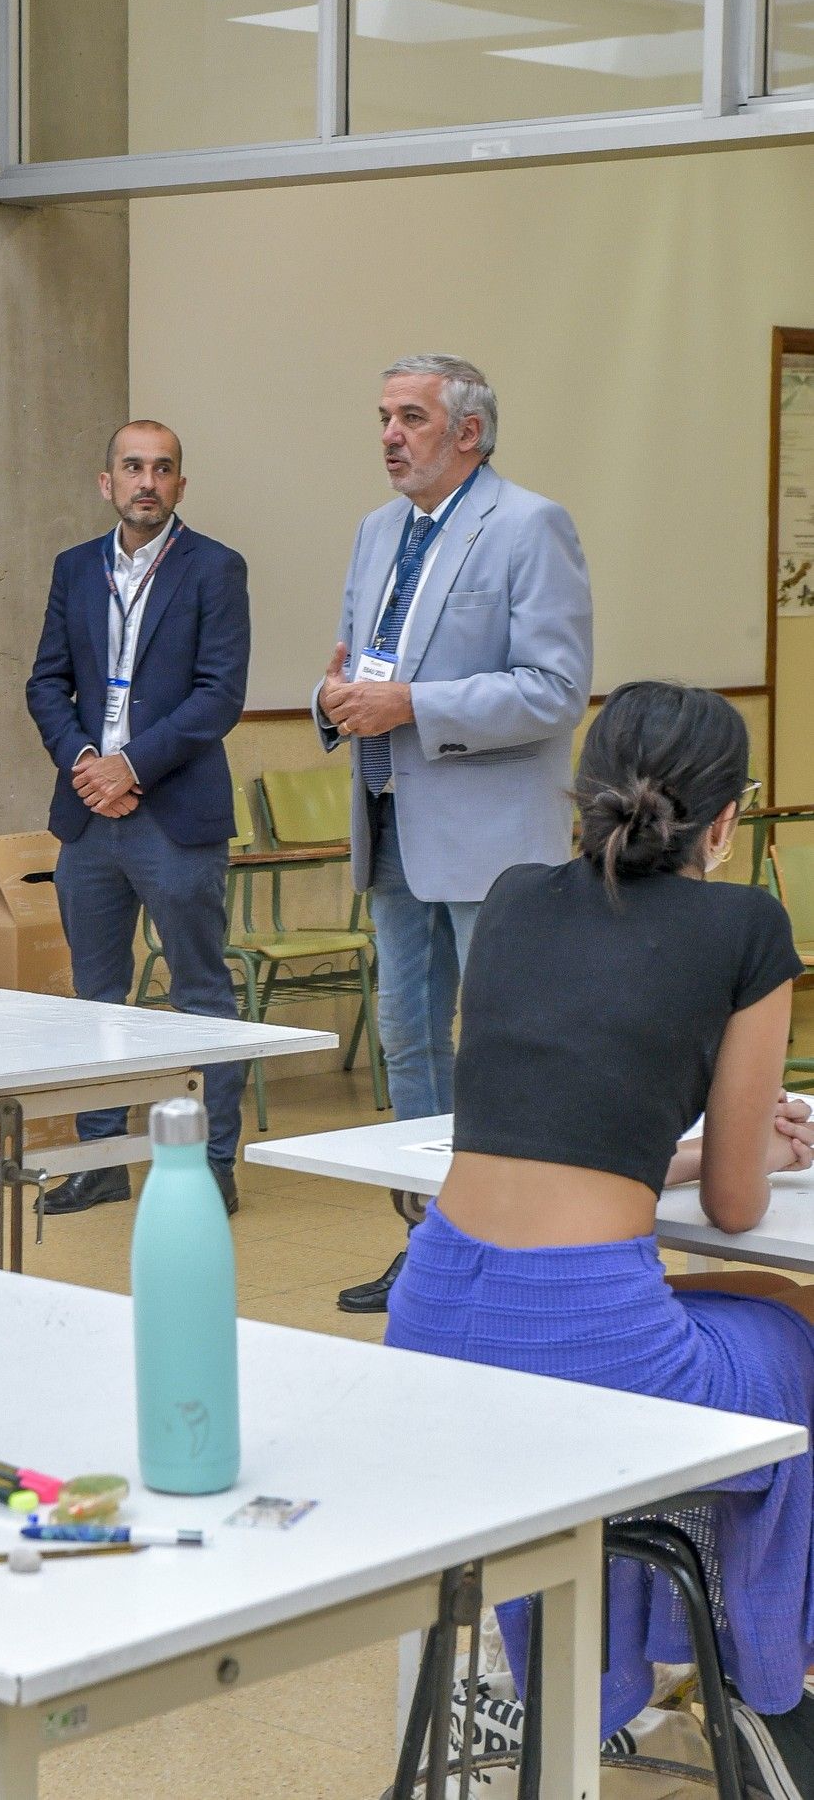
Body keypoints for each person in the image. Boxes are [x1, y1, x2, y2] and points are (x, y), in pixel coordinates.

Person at [386, 680, 814, 1798]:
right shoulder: (746, 927)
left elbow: (559, 1133)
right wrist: (753, 1155)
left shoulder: (512, 898)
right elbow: (738, 1208)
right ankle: (769, 1670)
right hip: (585, 1346)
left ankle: (639, 1655)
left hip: (430, 1321)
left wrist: (686, 1155)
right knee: (794, 1322)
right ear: (727, 820)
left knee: (734, 1311)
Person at [315, 355, 592, 1312]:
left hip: (493, 842)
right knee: (409, 1043)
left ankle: (519, 1253)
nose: (389, 436)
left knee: (506, 1049)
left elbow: (556, 690)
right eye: (383, 417)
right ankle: (431, 1246)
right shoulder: (376, 531)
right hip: (390, 821)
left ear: (469, 432)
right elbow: (356, 666)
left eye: (412, 417)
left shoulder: (529, 524)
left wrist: (414, 705)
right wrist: (329, 699)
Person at [26, 421, 250, 1215]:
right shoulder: (74, 568)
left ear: (180, 485)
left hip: (175, 815)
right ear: (107, 482)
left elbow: (219, 695)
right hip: (90, 817)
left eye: (162, 469)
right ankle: (101, 1160)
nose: (146, 481)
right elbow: (46, 684)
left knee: (201, 995)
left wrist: (133, 767)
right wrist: (88, 763)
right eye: (132, 467)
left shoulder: (215, 568)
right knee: (96, 997)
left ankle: (213, 1163)